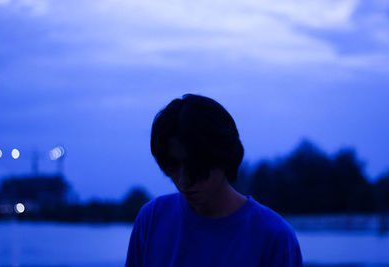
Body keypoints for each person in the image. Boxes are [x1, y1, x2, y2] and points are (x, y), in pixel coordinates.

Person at [125, 94, 303, 267]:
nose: (183, 179)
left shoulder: (274, 237)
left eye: (196, 165)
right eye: (173, 164)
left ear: (223, 157)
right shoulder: (152, 220)